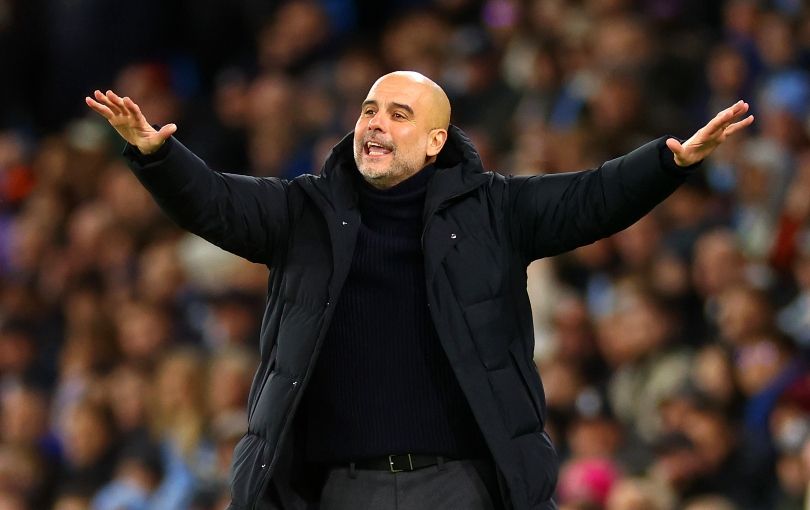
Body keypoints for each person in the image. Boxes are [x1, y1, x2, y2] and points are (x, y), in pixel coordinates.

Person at [86, 71, 753, 510]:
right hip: (341, 489)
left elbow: (591, 197)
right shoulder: (304, 213)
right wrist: (156, 155)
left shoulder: (494, 210)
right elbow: (216, 204)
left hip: (459, 486)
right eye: (369, 110)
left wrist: (670, 161)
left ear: (436, 140)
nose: (375, 123)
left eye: (398, 114)